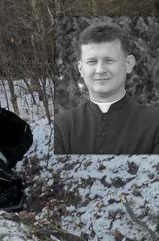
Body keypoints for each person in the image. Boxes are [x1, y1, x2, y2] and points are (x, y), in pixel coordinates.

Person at [54, 22, 159, 154]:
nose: (100, 70)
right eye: (92, 62)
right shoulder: (62, 126)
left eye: (109, 60)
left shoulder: (154, 124)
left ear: (128, 64)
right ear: (81, 68)